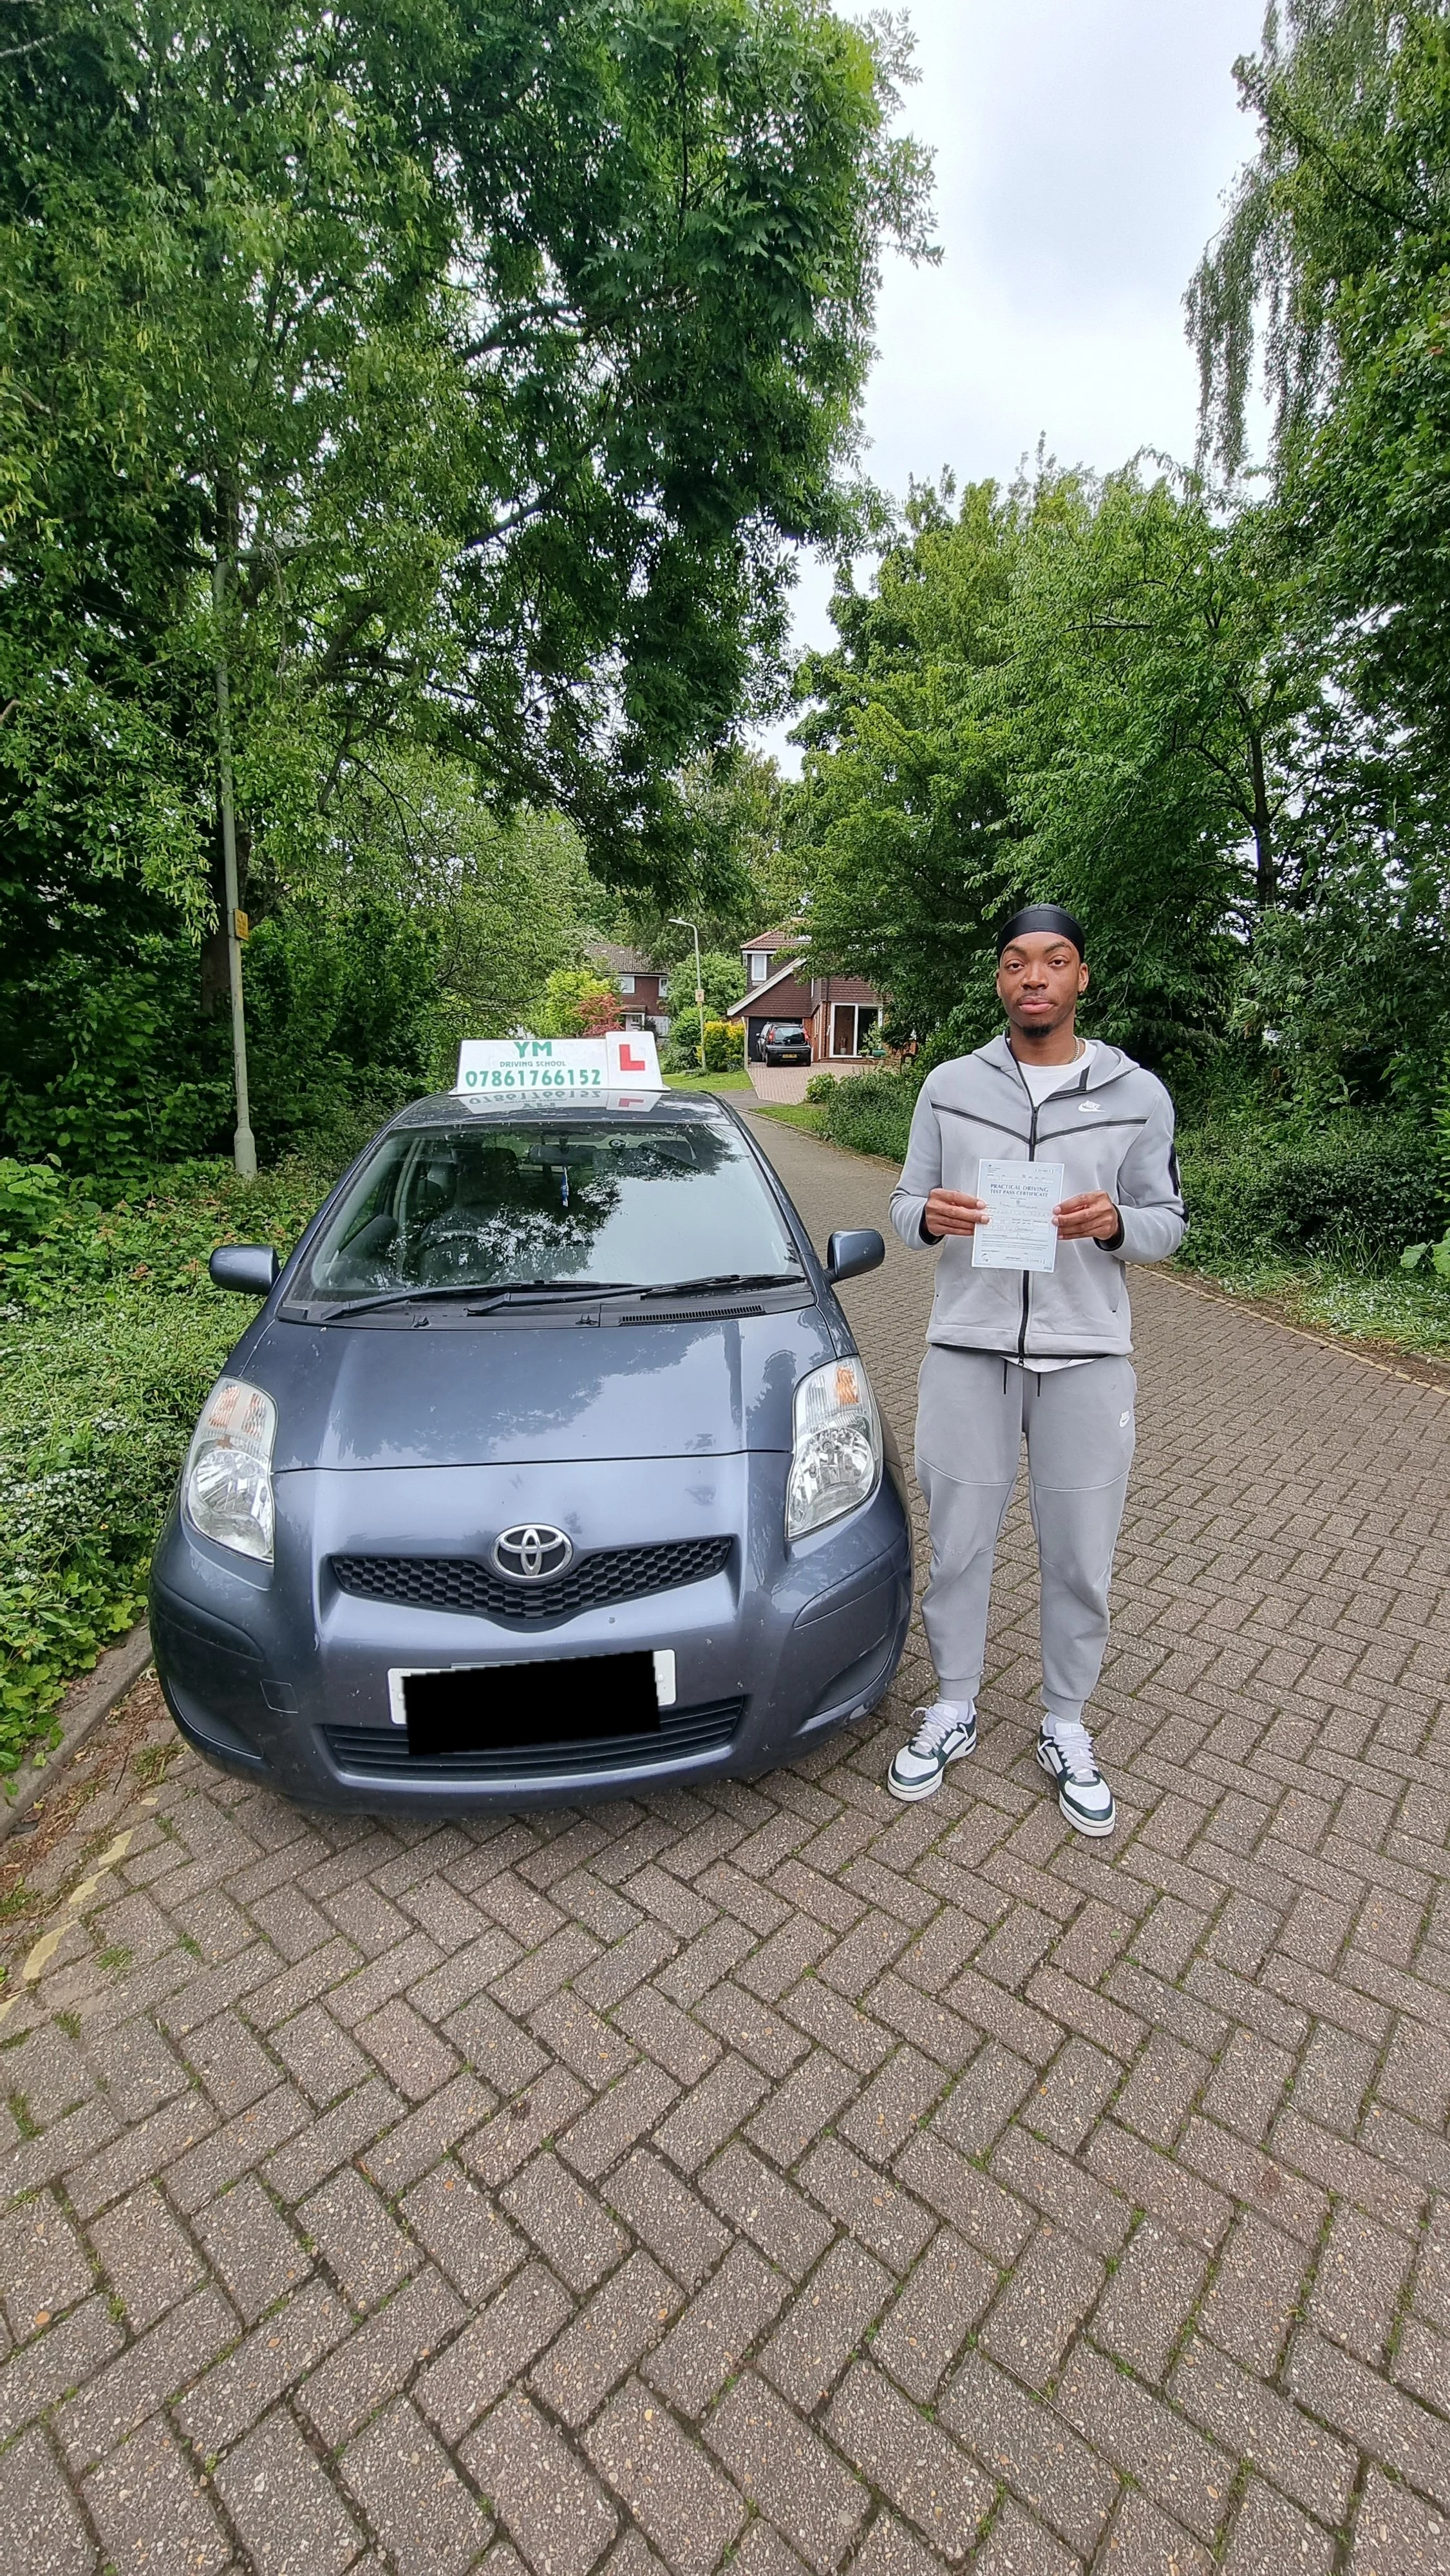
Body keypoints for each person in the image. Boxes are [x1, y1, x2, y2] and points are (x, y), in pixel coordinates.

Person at [885, 905, 1185, 1832]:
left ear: (1081, 978)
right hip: (968, 1349)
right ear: (1000, 980)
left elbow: (1169, 1222)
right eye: (1017, 964)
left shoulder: (1137, 1092)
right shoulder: (948, 1084)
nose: (1035, 979)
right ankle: (955, 1706)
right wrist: (932, 1216)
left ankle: (1065, 1722)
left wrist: (1117, 1226)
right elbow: (902, 1205)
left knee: (1081, 1556)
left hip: (1088, 1356)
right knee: (958, 1545)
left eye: (1054, 962)